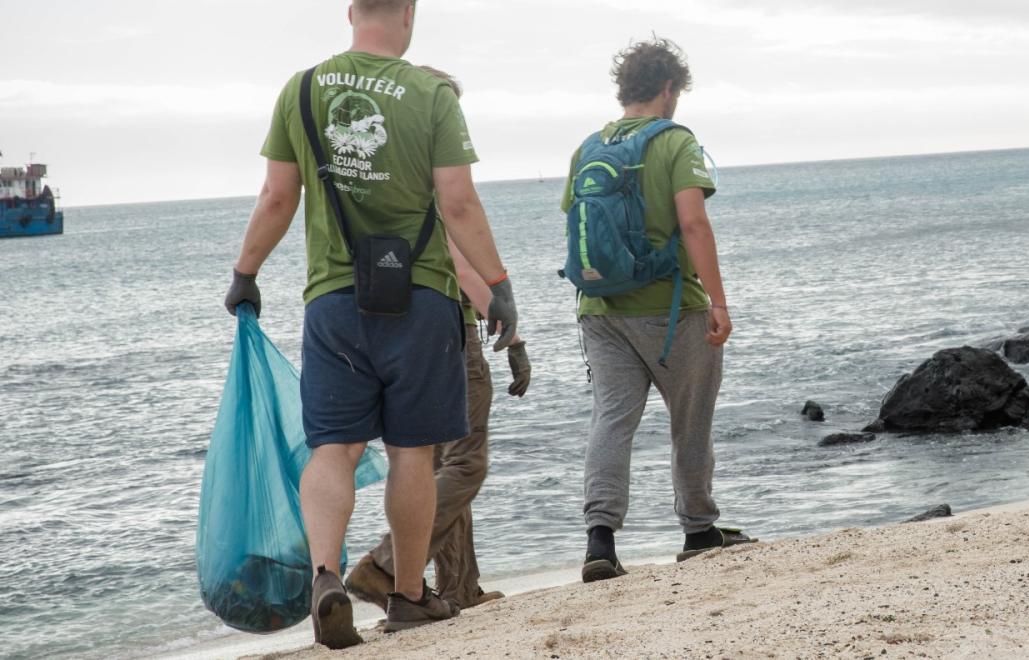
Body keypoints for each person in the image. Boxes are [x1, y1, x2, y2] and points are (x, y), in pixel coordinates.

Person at [223, 0, 521, 648]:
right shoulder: (431, 95)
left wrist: (246, 272)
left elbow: (278, 197)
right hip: (420, 298)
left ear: (351, 10)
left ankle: (326, 575)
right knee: (412, 452)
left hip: (334, 299)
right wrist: (499, 287)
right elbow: (459, 202)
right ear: (409, 13)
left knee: (335, 447)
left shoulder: (301, 90)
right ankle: (409, 595)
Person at [559, 38, 751, 584]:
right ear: (669, 88)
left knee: (612, 420)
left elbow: (577, 226)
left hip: (598, 308)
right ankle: (697, 531)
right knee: (690, 420)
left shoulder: (588, 146)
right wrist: (718, 300)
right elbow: (693, 223)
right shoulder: (675, 142)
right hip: (670, 309)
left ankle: (600, 541)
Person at [343, 66, 530, 613]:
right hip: (448, 329)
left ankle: (457, 586)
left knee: (435, 463)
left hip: (390, 329)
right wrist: (512, 334)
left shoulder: (380, 181)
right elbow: (461, 265)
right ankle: (383, 567)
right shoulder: (434, 183)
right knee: (466, 462)